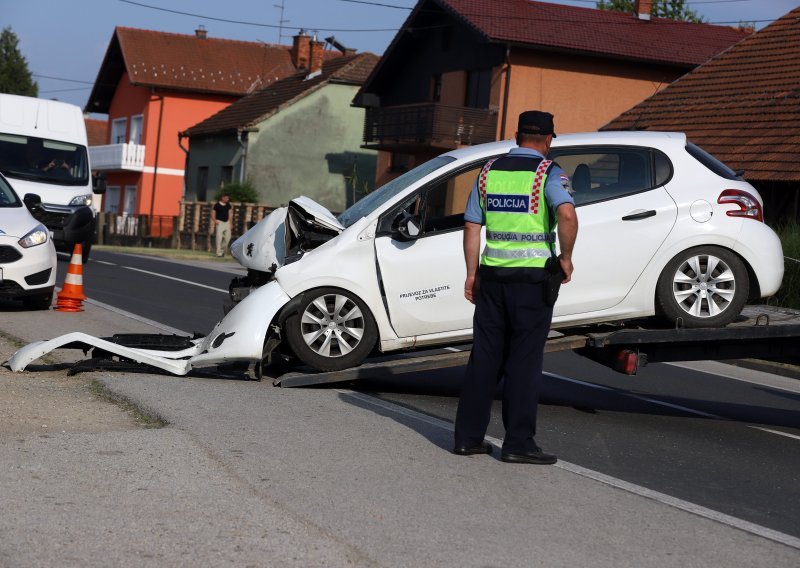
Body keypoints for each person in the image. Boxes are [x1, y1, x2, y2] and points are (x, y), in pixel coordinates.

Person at [453, 110, 579, 465]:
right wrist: (566, 258)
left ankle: (467, 439)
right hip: (532, 281)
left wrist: (471, 273)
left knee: (484, 358)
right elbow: (567, 215)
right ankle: (518, 444)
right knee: (523, 361)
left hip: (492, 278)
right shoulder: (548, 173)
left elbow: (471, 227)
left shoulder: (488, 172)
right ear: (549, 139)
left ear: (516, 135)